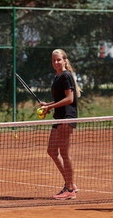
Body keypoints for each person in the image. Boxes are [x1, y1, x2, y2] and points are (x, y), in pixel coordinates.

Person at [40, 49, 82, 200]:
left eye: (58, 60)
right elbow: (60, 99)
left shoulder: (65, 75)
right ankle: (70, 183)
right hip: (58, 117)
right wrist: (47, 105)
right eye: (53, 60)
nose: (56, 63)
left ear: (65, 60)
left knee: (64, 153)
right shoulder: (58, 76)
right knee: (52, 151)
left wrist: (50, 107)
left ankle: (69, 189)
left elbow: (70, 99)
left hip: (67, 117)